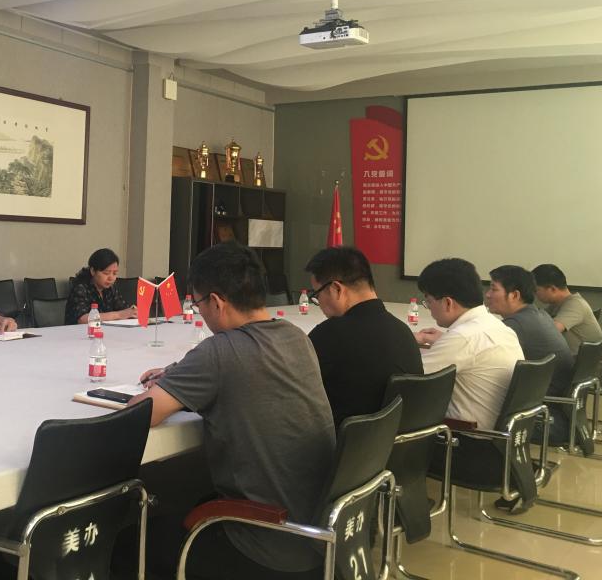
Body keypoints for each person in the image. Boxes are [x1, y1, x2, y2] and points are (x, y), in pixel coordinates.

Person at [130, 242, 334, 579]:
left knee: (130, 542)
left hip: (261, 545)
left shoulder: (218, 352)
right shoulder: (297, 337)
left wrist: (164, 388)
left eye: (198, 304)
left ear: (216, 302)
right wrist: (180, 374)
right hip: (314, 537)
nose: (200, 312)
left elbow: (138, 416)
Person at [305, 246, 422, 426]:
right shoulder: (402, 331)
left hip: (344, 440)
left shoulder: (329, 334)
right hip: (399, 439)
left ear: (336, 289)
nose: (318, 303)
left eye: (316, 295)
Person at [413, 258, 524, 429]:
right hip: (500, 434)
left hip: (466, 436)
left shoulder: (463, 337)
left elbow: (409, 378)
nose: (429, 308)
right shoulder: (499, 327)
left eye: (428, 302)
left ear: (448, 302)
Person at [486, 265, 573, 445]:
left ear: (514, 295)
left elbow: (485, 360)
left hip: (542, 415)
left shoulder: (516, 326)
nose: (487, 295)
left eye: (493, 289)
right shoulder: (538, 314)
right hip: (555, 410)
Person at [531, 264, 602, 353]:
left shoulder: (576, 304)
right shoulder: (557, 304)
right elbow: (538, 321)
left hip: (586, 360)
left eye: (537, 290)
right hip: (575, 357)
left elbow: (551, 331)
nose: (535, 294)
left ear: (552, 289)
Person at [64, 248, 137, 326]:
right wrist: (118, 315)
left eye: (114, 273)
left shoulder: (111, 289)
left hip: (104, 330)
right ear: (93, 271)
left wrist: (133, 312)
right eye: (106, 273)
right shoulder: (80, 288)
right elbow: (82, 319)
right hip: (79, 332)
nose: (111, 278)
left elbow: (124, 310)